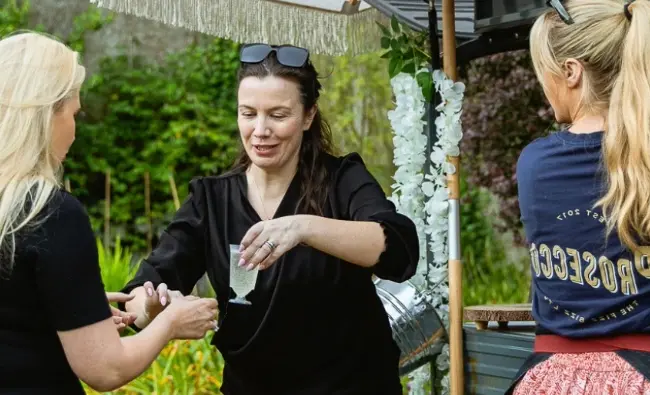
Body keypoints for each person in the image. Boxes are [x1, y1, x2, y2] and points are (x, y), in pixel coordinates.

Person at [121, 43, 419, 395]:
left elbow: (399, 248)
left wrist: (302, 227)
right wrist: (153, 310)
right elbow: (138, 297)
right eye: (248, 114)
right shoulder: (211, 200)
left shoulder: (342, 181)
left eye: (278, 115)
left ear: (308, 116)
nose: (260, 130)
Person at [0, 31, 219, 394]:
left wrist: (73, 304)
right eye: (73, 114)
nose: (74, 131)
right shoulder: (49, 213)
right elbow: (105, 370)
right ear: (43, 118)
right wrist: (173, 323)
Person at [510, 0, 650, 393]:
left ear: (571, 72)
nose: (544, 87)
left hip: (554, 378)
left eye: (544, 72)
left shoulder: (534, 163)